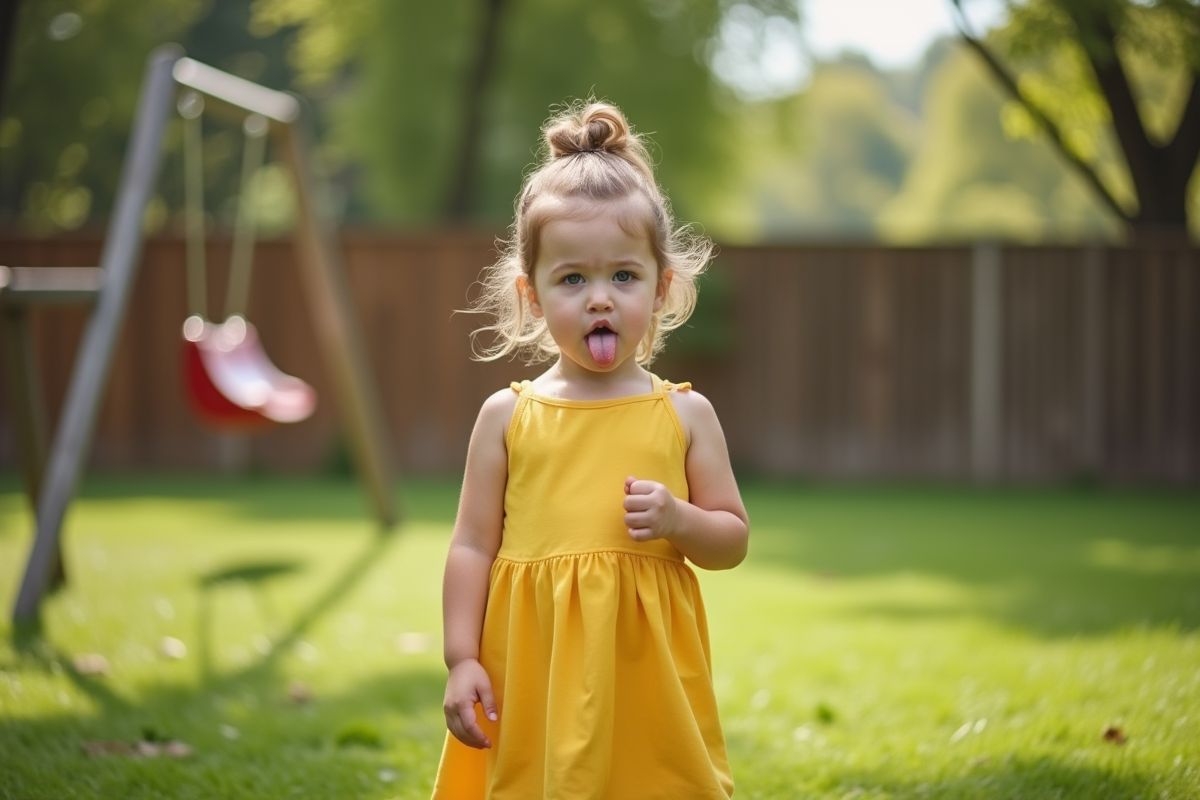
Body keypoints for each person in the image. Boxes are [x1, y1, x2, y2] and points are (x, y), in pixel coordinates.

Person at [431, 100, 749, 800]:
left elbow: (731, 538)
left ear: (662, 288)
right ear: (533, 296)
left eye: (623, 277)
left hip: (643, 666)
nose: (599, 299)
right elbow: (471, 546)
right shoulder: (508, 417)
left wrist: (679, 520)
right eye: (572, 279)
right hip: (533, 660)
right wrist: (461, 658)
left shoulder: (686, 414)